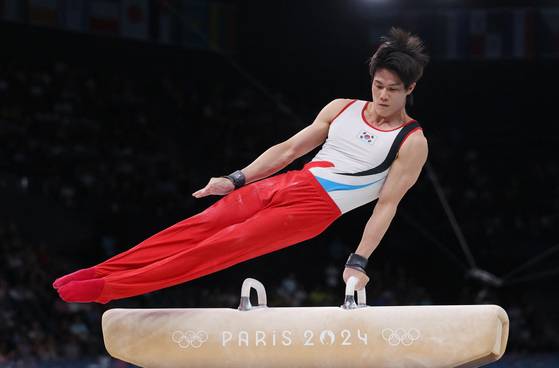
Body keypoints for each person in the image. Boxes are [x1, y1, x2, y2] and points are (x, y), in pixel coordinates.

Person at [53, 27, 430, 304]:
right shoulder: (341, 108)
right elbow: (286, 150)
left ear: (410, 90)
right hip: (287, 182)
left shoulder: (411, 142)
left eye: (393, 89)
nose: (382, 95)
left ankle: (107, 290)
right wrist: (236, 179)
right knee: (198, 226)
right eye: (378, 85)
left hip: (314, 210)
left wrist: (359, 260)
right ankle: (102, 271)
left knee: (221, 246)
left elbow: (387, 204)